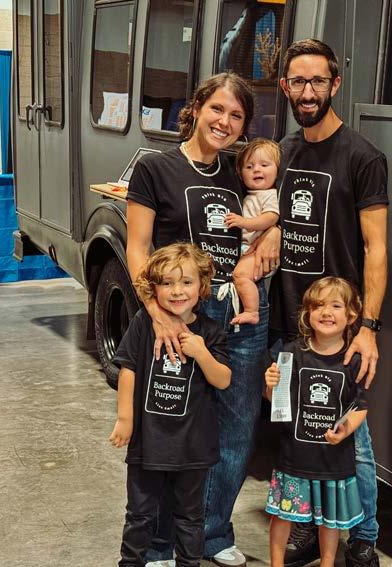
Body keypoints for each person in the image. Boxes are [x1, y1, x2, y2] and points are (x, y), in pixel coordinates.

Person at [126, 72, 280, 566]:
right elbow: (138, 248)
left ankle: (211, 533)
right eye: (217, 109)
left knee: (236, 425)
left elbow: (272, 206)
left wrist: (274, 232)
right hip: (182, 311)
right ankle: (162, 541)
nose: (224, 122)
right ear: (195, 108)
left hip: (241, 310)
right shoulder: (156, 167)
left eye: (236, 115)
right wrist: (157, 313)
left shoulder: (241, 168)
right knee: (173, 426)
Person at [269, 39, 389, 567]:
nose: (308, 92)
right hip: (288, 321)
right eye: (298, 81)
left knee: (351, 441)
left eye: (318, 81)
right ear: (285, 87)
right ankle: (305, 527)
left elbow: (376, 248)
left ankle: (363, 538)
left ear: (335, 84)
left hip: (340, 329)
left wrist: (369, 327)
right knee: (298, 431)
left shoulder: (363, 157)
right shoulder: (284, 151)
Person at [109, 243, 232, 567]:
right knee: (139, 514)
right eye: (167, 283)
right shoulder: (143, 323)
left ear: (202, 286)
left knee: (190, 518)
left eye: (186, 282)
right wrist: (125, 418)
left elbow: (223, 380)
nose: (177, 291)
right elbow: (128, 369)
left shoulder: (211, 331)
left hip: (193, 447)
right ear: (154, 288)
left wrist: (202, 353)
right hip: (148, 442)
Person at [265, 277, 368, 567]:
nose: (326, 312)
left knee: (329, 521)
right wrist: (270, 385)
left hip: (333, 461)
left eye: (335, 306)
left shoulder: (353, 361)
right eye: (318, 305)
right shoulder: (292, 352)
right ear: (307, 313)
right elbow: (277, 402)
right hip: (294, 458)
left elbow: (360, 408)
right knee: (283, 515)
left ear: (351, 315)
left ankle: (327, 563)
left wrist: (344, 431)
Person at [224, 138, 280, 326]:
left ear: (277, 170)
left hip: (258, 252)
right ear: (240, 174)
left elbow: (270, 217)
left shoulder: (270, 194)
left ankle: (251, 311)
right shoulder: (249, 194)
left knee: (240, 276)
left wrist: (244, 222)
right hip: (246, 248)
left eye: (264, 165)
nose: (256, 170)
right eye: (249, 167)